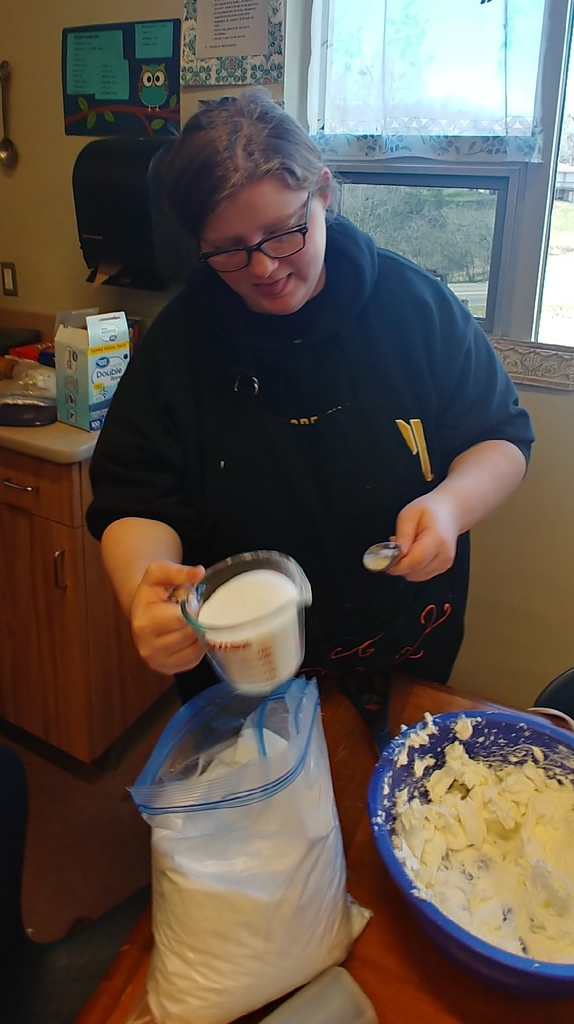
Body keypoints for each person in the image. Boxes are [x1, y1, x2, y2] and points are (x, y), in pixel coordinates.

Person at [86, 88, 534, 745]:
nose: (264, 267)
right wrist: (142, 594)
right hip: (242, 672)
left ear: (322, 192)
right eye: (229, 251)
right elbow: (134, 495)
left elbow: (500, 436)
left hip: (404, 645)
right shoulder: (180, 344)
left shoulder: (413, 308)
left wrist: (451, 507)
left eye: (284, 232)